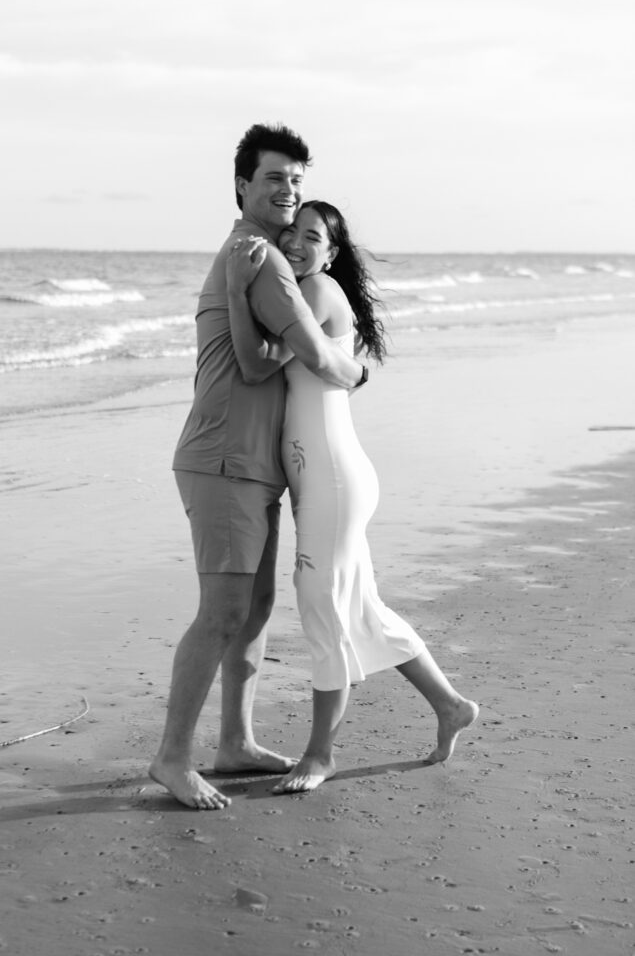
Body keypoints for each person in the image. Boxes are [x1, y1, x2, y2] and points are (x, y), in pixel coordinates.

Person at [226, 202, 479, 793]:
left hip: (334, 480)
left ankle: (320, 754)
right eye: (291, 231)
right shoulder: (305, 289)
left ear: (330, 254)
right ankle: (449, 705)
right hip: (329, 477)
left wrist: (238, 293)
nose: (295, 243)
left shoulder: (312, 291)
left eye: (311, 237)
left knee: (321, 604)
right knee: (360, 608)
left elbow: (259, 365)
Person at [150, 125, 368, 810]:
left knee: (254, 608)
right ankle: (172, 758)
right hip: (223, 456)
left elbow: (264, 356)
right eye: (275, 178)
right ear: (242, 184)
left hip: (251, 462)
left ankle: (233, 742)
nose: (288, 190)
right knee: (220, 613)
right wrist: (354, 367)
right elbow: (316, 358)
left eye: (297, 180)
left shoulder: (258, 256)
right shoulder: (261, 261)